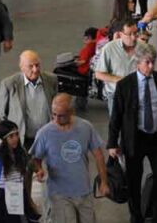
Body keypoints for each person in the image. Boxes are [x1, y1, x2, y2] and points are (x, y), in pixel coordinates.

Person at [107, 42, 157, 223]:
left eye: (153, 62)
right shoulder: (125, 85)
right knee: (133, 180)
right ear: (137, 63)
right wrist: (112, 143)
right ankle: (136, 216)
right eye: (147, 62)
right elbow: (115, 116)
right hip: (135, 139)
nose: (151, 66)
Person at [32, 93, 108, 223]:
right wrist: (39, 170)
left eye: (61, 115)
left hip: (84, 190)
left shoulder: (86, 127)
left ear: (71, 112)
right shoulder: (44, 133)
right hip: (59, 194)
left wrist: (104, 181)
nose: (56, 119)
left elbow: (99, 156)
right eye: (53, 114)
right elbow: (35, 158)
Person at [0, 120, 41, 221]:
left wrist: (39, 171)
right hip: (2, 198)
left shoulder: (22, 154)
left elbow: (31, 165)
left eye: (16, 134)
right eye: (11, 136)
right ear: (4, 139)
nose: (15, 139)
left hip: (19, 195)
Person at [0, 50, 57, 151]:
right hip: (24, 140)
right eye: (30, 66)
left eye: (37, 65)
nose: (35, 69)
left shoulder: (52, 80)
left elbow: (56, 104)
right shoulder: (9, 84)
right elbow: (0, 110)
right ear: (22, 67)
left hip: (48, 137)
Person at [95, 18, 140, 115]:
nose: (134, 37)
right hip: (116, 95)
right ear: (120, 34)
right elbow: (98, 74)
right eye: (129, 34)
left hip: (137, 94)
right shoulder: (109, 49)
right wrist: (122, 80)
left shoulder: (143, 47)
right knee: (117, 126)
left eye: (136, 33)